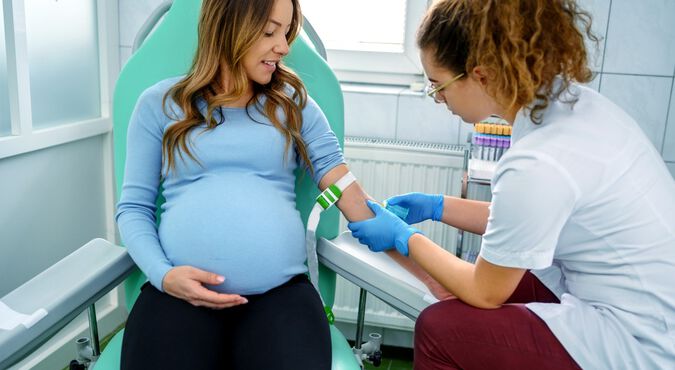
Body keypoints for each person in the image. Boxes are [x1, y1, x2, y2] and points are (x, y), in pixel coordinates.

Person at [347, 0, 675, 369]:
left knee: (441, 330)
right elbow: (522, 218)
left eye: (439, 85)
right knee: (461, 296)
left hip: (639, 338)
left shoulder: (539, 158)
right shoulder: (569, 106)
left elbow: (485, 291)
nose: (437, 98)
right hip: (639, 299)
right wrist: (438, 206)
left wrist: (404, 237)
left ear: (481, 75)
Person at [115, 0, 372, 368]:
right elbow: (134, 209)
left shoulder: (295, 106)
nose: (283, 47)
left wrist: (399, 236)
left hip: (280, 298)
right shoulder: (159, 104)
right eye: (270, 32)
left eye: (286, 32)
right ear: (228, 28)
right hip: (177, 295)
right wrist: (164, 275)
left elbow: (343, 183)